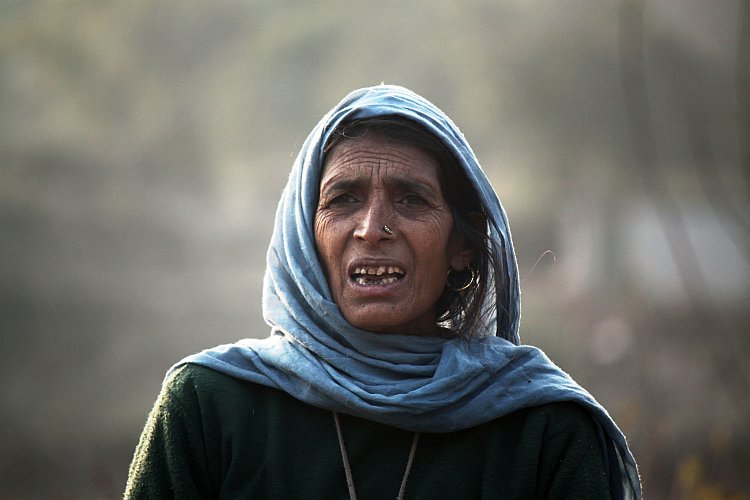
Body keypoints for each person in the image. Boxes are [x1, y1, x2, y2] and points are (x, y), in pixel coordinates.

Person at [125, 84, 641, 499]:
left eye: (411, 199)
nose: (372, 228)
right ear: (307, 236)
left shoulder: (543, 431)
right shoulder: (209, 406)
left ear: (462, 244)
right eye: (343, 199)